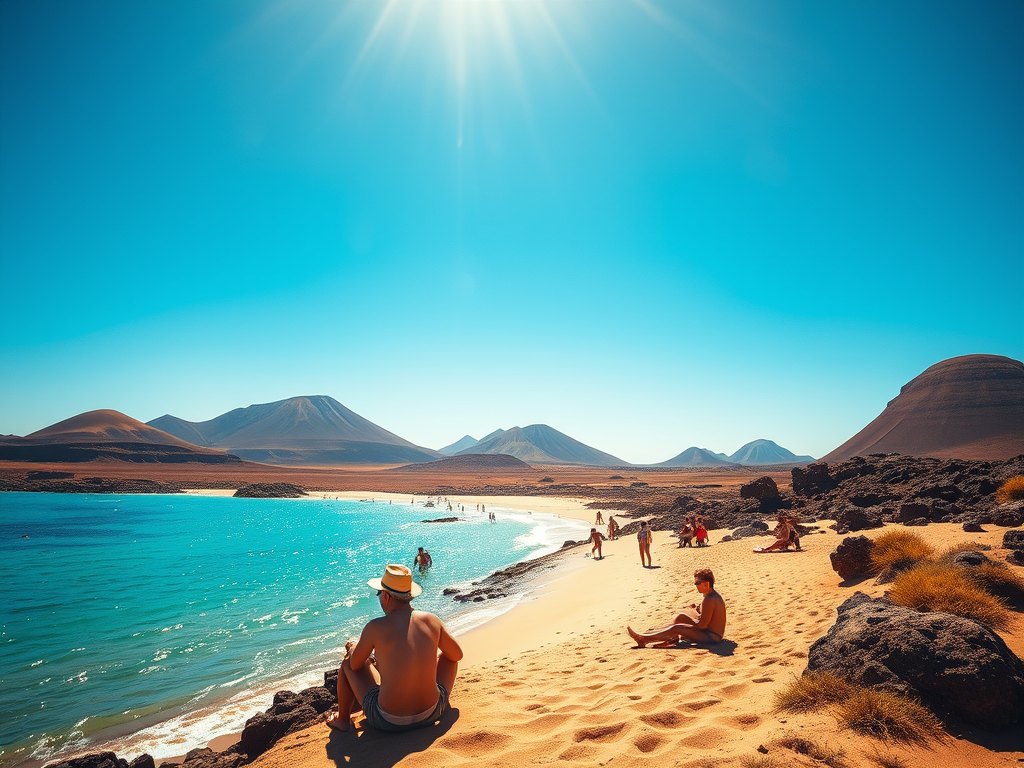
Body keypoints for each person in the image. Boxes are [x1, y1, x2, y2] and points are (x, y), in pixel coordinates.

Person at [326, 564, 462, 732]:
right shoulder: (431, 620)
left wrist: (355, 649)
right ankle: (432, 700)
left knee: (348, 661)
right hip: (432, 712)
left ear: (386, 596)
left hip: (389, 721)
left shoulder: (375, 627)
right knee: (448, 657)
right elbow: (457, 655)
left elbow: (355, 666)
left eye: (379, 593)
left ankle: (343, 720)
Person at [626, 568, 726, 647]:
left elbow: (702, 626)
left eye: (697, 583)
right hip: (710, 633)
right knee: (680, 618)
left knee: (677, 627)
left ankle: (644, 639)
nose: (696, 585)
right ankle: (659, 634)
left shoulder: (709, 599)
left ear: (706, 583)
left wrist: (686, 625)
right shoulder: (711, 595)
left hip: (712, 637)